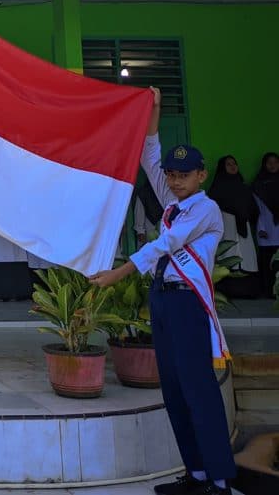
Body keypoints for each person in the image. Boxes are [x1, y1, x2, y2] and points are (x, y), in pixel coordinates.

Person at [90, 87, 235, 495]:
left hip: (188, 303)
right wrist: (155, 107)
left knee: (198, 389)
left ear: (201, 175)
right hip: (164, 299)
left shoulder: (204, 208)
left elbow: (166, 245)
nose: (174, 179)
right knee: (172, 389)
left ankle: (220, 481)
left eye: (183, 174)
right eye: (172, 174)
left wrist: (118, 273)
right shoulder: (172, 198)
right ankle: (198, 474)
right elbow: (149, 153)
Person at [208, 155, 259, 299]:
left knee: (246, 256)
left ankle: (248, 291)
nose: (232, 166)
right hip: (227, 225)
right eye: (228, 164)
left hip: (244, 227)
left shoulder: (243, 187)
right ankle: (228, 292)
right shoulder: (217, 188)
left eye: (234, 163)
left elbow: (253, 208)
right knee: (228, 254)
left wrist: (245, 215)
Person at [253, 152, 279, 296]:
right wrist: (261, 228)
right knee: (267, 260)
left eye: (275, 162)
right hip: (267, 228)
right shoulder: (258, 184)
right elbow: (258, 209)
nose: (272, 165)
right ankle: (268, 291)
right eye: (269, 162)